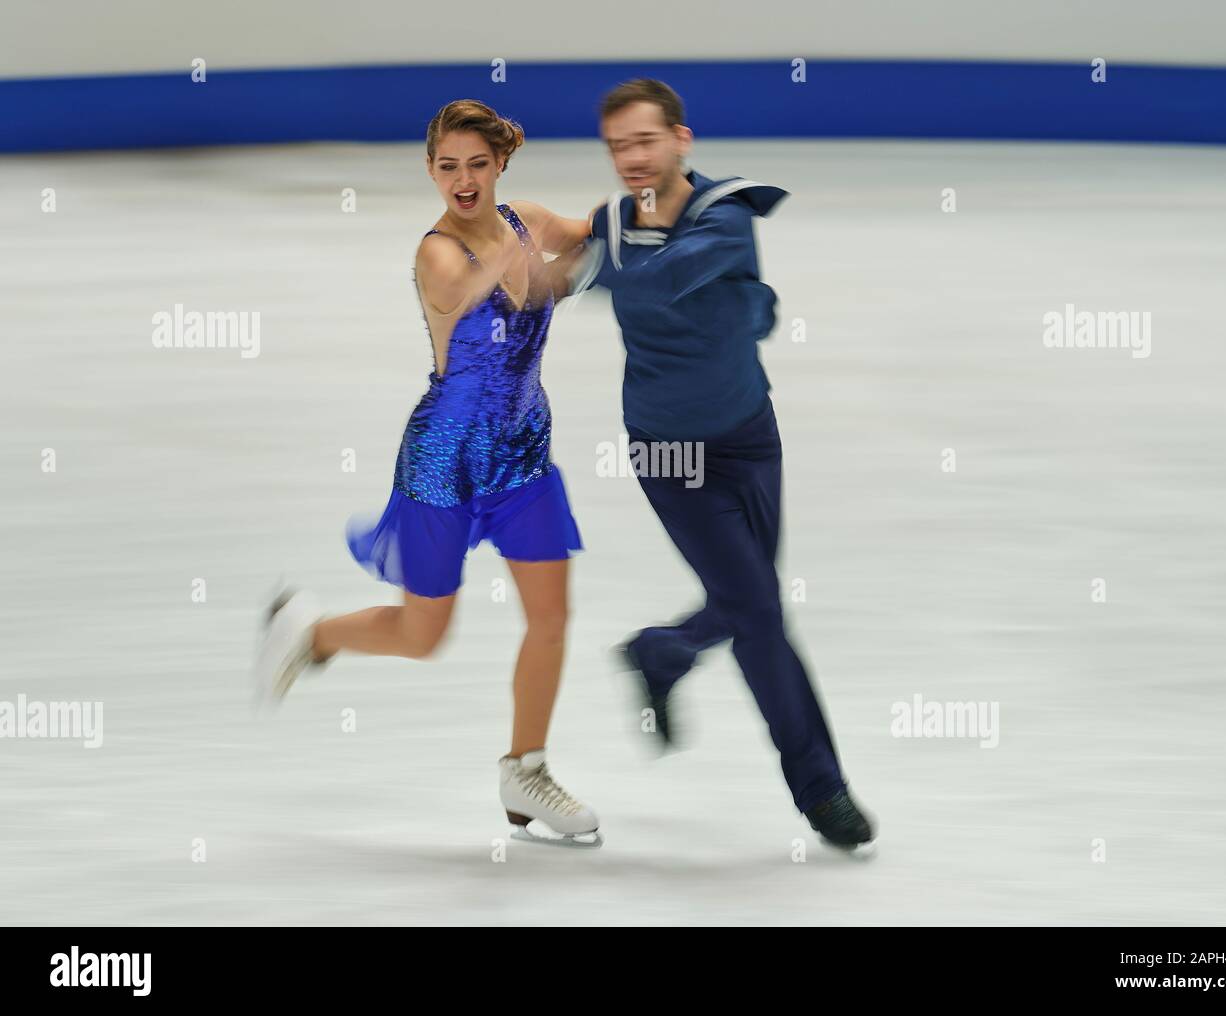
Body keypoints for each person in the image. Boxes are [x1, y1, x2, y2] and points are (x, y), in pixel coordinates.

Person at [253, 99, 600, 848]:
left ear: (500, 165)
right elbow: (466, 292)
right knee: (423, 633)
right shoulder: (437, 254)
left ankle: (525, 769)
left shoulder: (528, 220)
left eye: (478, 164)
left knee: (551, 618)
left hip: (523, 455)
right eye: (449, 167)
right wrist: (551, 263)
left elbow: (594, 234)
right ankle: (310, 634)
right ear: (430, 170)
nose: (464, 180)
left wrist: (652, 200)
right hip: (444, 462)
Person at [564, 79, 876, 851]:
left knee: (749, 605)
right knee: (761, 615)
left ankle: (661, 652)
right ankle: (821, 790)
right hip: (668, 450)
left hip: (748, 435)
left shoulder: (725, 215)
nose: (632, 158)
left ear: (681, 139)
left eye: (645, 141)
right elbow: (736, 308)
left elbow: (669, 279)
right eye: (617, 146)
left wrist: (582, 269)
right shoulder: (609, 222)